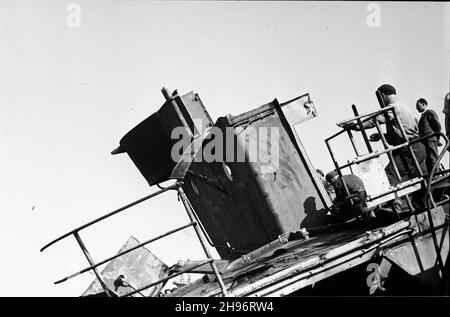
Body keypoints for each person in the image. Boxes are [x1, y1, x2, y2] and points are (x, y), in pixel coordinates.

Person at [344, 84, 427, 185]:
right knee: (423, 181)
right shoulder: (403, 106)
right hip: (418, 147)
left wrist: (356, 126)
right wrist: (382, 135)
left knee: (389, 176)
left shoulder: (392, 108)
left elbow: (375, 120)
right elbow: (405, 131)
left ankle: (396, 200)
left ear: (382, 95)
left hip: (408, 151)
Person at [416, 98, 442, 173]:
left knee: (433, 157)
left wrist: (436, 138)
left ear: (423, 104)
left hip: (430, 139)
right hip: (425, 140)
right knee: (428, 159)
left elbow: (438, 126)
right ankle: (432, 175)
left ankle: (436, 174)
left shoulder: (429, 112)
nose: (416, 108)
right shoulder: (423, 115)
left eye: (418, 106)